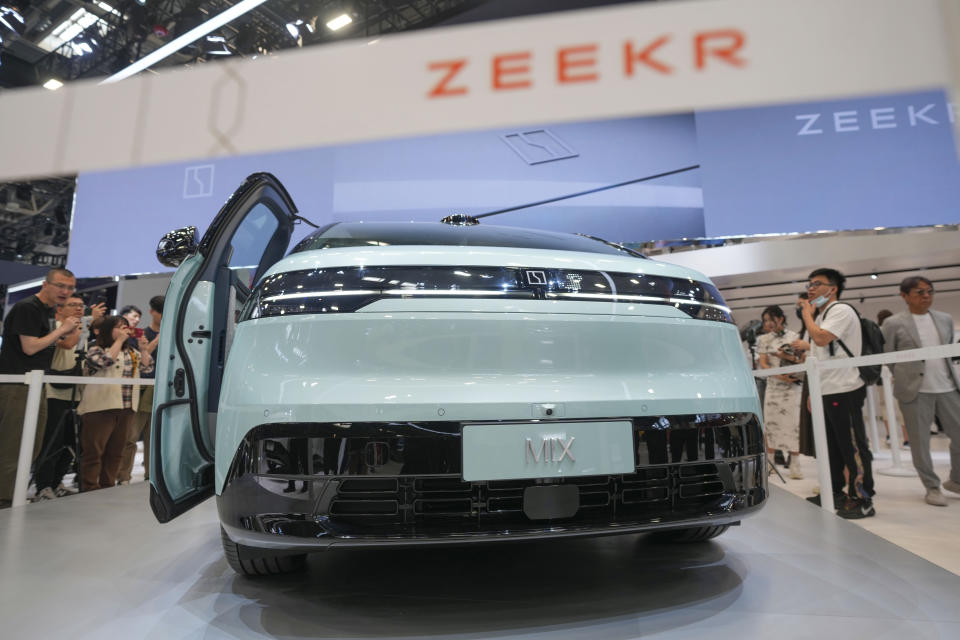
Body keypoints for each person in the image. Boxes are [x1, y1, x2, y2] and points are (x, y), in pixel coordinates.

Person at [791, 268, 876, 519]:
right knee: (832, 447)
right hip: (826, 389)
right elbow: (815, 357)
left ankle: (862, 498)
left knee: (853, 447)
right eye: (810, 284)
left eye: (818, 284)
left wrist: (807, 313)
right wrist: (812, 393)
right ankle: (836, 492)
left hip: (845, 388)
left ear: (833, 288)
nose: (811, 288)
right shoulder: (822, 316)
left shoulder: (840, 310)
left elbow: (821, 340)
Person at [0, 268, 81, 509]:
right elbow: (30, 348)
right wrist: (62, 328)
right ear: (46, 284)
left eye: (70, 287)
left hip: (36, 385)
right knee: (13, 445)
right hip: (18, 385)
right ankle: (5, 499)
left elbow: (60, 344)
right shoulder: (28, 308)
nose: (65, 292)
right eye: (60, 286)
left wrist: (70, 330)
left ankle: (13, 493)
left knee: (32, 445)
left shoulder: (46, 311)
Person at [881, 276, 960, 507]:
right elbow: (888, 356)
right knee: (920, 442)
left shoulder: (944, 319)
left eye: (929, 291)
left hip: (948, 386)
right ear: (904, 296)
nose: (926, 296)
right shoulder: (894, 323)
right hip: (915, 390)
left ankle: (956, 480)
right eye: (919, 292)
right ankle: (932, 486)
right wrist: (905, 377)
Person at [31, 294, 104, 500]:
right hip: (55, 392)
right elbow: (67, 344)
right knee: (51, 442)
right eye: (73, 305)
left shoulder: (82, 327)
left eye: (82, 306)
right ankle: (43, 486)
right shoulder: (56, 326)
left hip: (78, 392)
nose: (79, 309)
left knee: (71, 441)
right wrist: (85, 322)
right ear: (59, 309)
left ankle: (57, 483)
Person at [76, 315, 154, 491]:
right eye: (118, 327)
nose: (123, 331)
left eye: (125, 327)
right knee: (94, 451)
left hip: (126, 408)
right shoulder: (95, 349)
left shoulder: (131, 352)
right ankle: (89, 487)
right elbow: (104, 362)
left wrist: (143, 350)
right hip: (100, 407)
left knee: (116, 451)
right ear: (107, 330)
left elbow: (147, 368)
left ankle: (108, 485)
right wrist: (118, 342)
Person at [117, 296, 163, 485]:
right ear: (152, 312)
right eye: (161, 312)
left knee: (154, 438)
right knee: (132, 436)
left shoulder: (173, 333)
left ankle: (150, 475)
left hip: (162, 390)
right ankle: (123, 476)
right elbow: (143, 358)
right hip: (143, 388)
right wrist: (159, 338)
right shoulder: (141, 334)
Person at [756, 305, 804, 479]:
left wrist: (785, 357)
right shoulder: (763, 339)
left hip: (792, 385)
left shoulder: (794, 337)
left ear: (781, 319)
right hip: (774, 385)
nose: (768, 323)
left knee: (794, 424)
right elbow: (763, 363)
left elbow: (800, 359)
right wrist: (779, 376)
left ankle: (795, 465)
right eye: (765, 320)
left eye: (771, 319)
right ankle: (770, 463)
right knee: (771, 424)